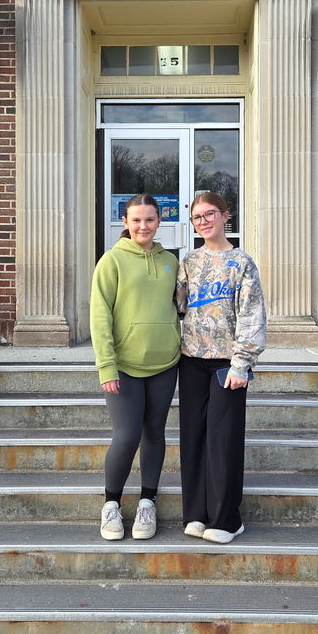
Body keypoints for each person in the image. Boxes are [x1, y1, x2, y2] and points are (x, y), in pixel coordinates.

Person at [176, 192, 267, 544]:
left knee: (222, 439)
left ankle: (227, 519)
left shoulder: (242, 262)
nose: (203, 222)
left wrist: (242, 363)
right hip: (191, 359)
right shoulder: (189, 261)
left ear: (226, 215)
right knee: (193, 438)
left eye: (209, 214)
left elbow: (252, 316)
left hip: (227, 364)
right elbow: (178, 307)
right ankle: (197, 513)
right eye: (197, 217)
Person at [90, 193, 180, 541]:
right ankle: (111, 504)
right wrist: (106, 365)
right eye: (137, 220)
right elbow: (100, 316)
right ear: (125, 222)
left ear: (159, 221)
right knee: (127, 437)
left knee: (155, 434)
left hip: (165, 363)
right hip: (125, 366)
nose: (144, 226)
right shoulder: (112, 260)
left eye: (150, 219)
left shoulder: (171, 261)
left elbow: (180, 307)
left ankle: (147, 501)